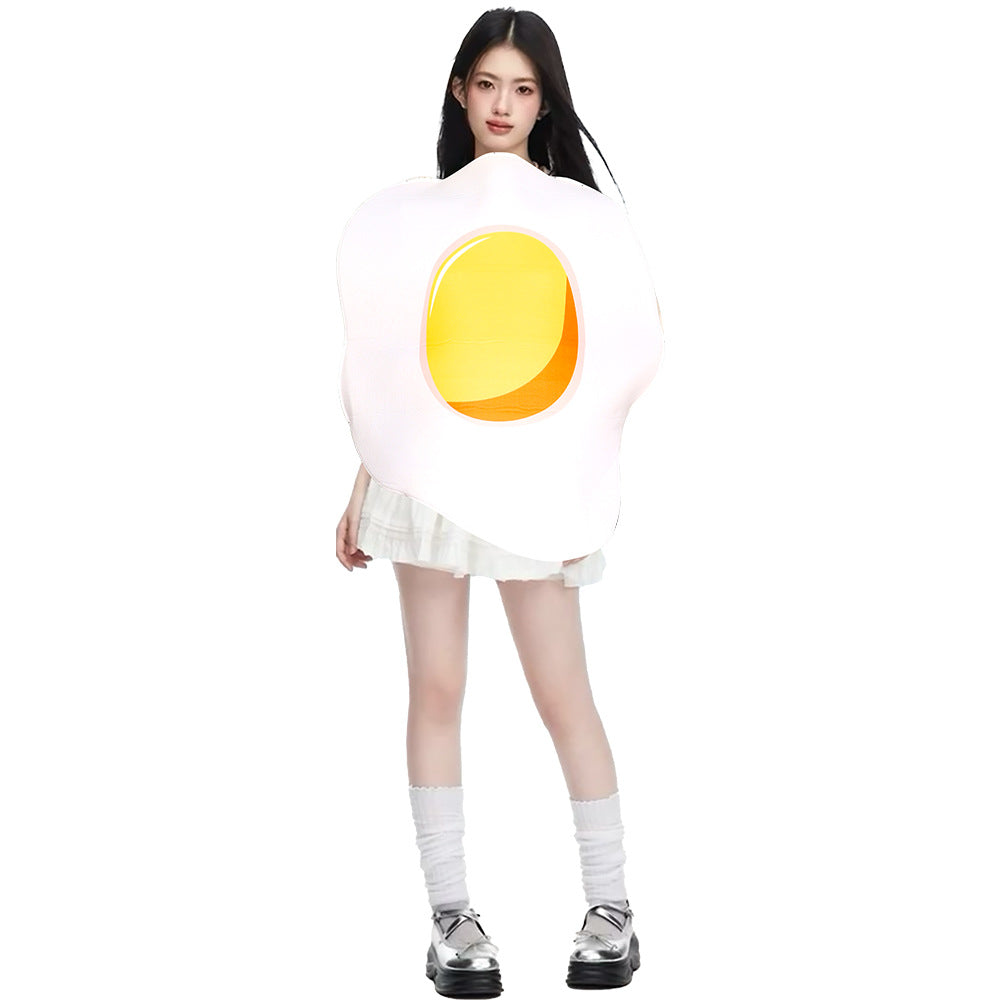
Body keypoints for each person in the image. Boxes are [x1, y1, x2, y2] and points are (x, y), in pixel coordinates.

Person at [336, 8, 652, 995]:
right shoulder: (419, 217)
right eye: (487, 84)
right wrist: (363, 479)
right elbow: (394, 366)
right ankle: (452, 919)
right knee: (436, 688)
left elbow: (610, 363)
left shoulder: (577, 219)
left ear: (543, 101)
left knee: (563, 693)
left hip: (533, 481)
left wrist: (587, 494)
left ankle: (611, 908)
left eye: (521, 88)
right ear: (459, 91)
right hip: (423, 484)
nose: (503, 105)